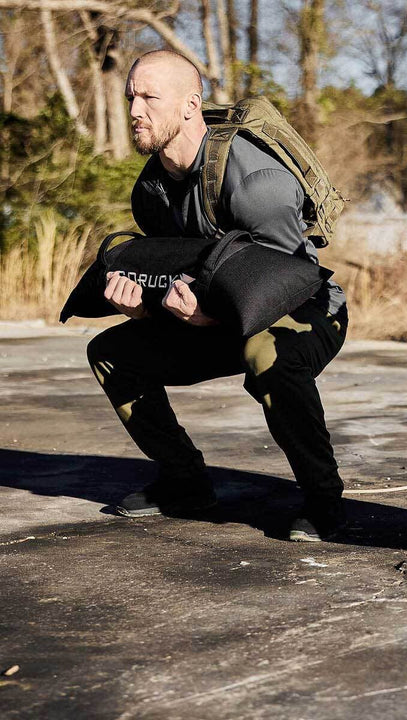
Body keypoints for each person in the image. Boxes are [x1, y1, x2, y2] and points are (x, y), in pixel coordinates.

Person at [86, 50, 348, 542]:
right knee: (111, 352)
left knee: (268, 355)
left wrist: (208, 319)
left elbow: (286, 283)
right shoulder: (151, 191)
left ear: (190, 105)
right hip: (213, 313)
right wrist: (141, 310)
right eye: (131, 98)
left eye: (149, 98)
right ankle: (184, 482)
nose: (135, 111)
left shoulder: (256, 182)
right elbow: (173, 273)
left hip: (304, 308)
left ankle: (324, 499)